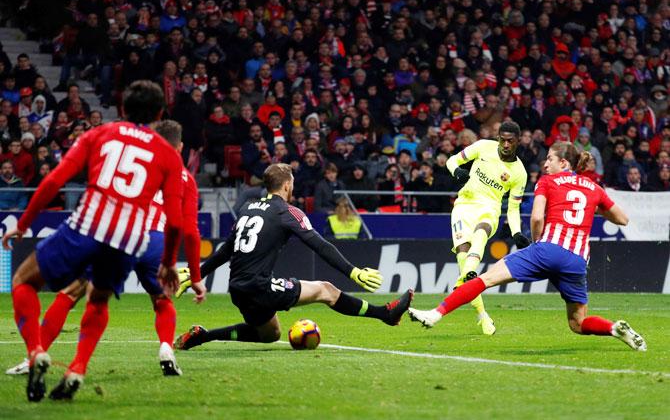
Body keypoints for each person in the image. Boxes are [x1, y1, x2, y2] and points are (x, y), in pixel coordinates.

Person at [2, 80, 187, 402]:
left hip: (88, 226)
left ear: (123, 109)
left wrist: (24, 223)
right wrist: (169, 263)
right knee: (98, 301)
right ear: (158, 113)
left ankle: (36, 352)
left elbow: (54, 180)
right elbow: (174, 221)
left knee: (24, 281)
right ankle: (77, 368)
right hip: (129, 239)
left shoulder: (100, 133)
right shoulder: (169, 156)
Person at [408, 142, 647, 352]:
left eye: (550, 159)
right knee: (578, 323)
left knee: (485, 279)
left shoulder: (548, 181)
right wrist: (596, 207)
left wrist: (536, 242)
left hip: (546, 249)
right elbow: (622, 219)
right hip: (576, 260)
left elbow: (535, 218)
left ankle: (434, 314)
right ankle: (614, 328)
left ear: (563, 162)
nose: (545, 164)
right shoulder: (593, 187)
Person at [173, 163, 412, 350]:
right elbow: (320, 245)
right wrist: (353, 272)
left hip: (237, 288)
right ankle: (385, 314)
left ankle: (204, 336)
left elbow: (226, 250)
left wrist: (198, 273)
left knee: (270, 335)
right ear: (287, 185)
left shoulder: (247, 208)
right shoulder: (287, 212)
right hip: (260, 287)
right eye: (293, 183)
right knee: (325, 290)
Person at [444, 121, 529, 335]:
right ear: (498, 137)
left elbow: (513, 207)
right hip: (464, 205)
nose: (506, 144)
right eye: (502, 139)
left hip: (490, 209)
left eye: (510, 141)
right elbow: (452, 160)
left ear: (518, 141)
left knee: (481, 231)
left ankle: (469, 273)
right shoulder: (482, 146)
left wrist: (517, 231)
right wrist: (457, 172)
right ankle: (482, 315)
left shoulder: (519, 172)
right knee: (463, 255)